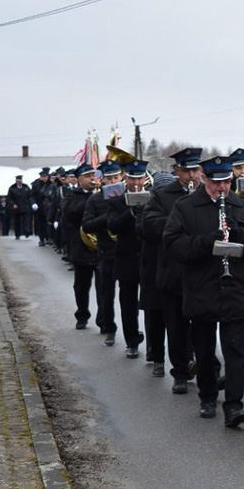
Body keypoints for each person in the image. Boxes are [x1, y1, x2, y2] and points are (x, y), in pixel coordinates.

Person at [163, 156, 244, 427]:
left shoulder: (243, 207)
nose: (221, 188)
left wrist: (240, 234)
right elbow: (172, 244)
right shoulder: (186, 207)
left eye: (226, 182)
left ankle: (234, 405)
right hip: (201, 289)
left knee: (235, 349)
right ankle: (208, 396)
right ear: (204, 179)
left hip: (235, 287)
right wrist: (205, 242)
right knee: (204, 348)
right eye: (215, 182)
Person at [141, 147, 203, 394]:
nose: (192, 176)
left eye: (195, 170)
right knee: (176, 326)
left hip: (201, 272)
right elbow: (149, 226)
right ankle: (179, 372)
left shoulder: (206, 193)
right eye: (186, 171)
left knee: (201, 325)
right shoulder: (162, 195)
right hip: (172, 271)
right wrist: (179, 223)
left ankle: (205, 368)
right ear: (177, 171)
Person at [107, 160, 149, 359]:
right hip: (126, 259)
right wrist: (130, 213)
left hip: (148, 259)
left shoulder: (153, 198)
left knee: (151, 305)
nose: (136, 182)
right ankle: (131, 341)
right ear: (126, 178)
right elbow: (112, 226)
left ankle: (153, 347)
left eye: (139, 178)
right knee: (128, 304)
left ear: (145, 178)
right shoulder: (117, 200)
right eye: (132, 178)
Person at [137, 170, 175, 378]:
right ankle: (157, 357)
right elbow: (143, 230)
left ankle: (182, 360)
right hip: (152, 270)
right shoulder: (147, 209)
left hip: (173, 271)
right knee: (155, 318)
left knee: (177, 320)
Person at [82, 161, 121, 342]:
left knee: (129, 297)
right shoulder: (95, 200)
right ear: (102, 180)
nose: (113, 181)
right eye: (109, 178)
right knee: (106, 294)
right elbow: (87, 225)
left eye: (116, 177)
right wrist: (108, 218)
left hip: (127, 252)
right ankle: (108, 326)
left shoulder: (127, 196)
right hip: (106, 252)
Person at [64, 164, 100, 329]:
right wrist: (93, 199)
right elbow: (71, 213)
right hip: (81, 247)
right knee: (81, 285)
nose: (92, 178)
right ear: (78, 179)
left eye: (93, 175)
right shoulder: (72, 195)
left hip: (101, 248)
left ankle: (104, 318)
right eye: (87, 176)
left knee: (104, 288)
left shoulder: (102, 194)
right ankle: (82, 314)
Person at [6, 175, 33, 239]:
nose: (19, 182)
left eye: (20, 181)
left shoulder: (26, 187)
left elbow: (30, 196)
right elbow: (9, 198)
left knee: (26, 221)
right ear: (16, 181)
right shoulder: (12, 188)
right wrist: (13, 204)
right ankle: (17, 234)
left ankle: (27, 232)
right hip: (16, 208)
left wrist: (30, 204)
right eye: (18, 181)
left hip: (25, 207)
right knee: (17, 222)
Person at [31, 168, 52, 246]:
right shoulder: (36, 184)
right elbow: (32, 195)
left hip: (49, 207)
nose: (44, 178)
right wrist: (33, 203)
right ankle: (41, 239)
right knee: (40, 224)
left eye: (45, 176)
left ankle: (48, 238)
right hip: (39, 207)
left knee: (48, 223)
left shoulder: (51, 184)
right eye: (42, 176)